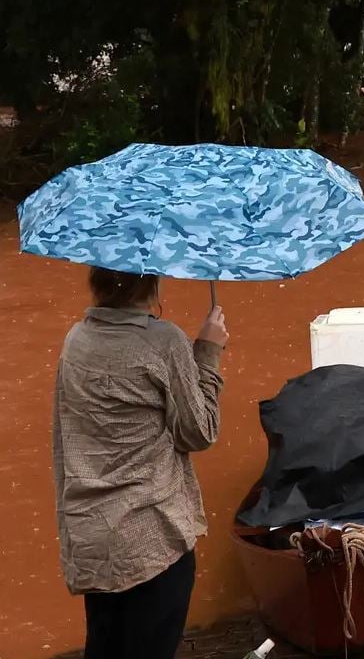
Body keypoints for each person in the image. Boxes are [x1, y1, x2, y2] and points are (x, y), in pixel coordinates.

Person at [52, 267, 228, 659]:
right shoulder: (163, 342)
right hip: (152, 540)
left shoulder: (76, 339)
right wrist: (208, 352)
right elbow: (199, 433)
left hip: (94, 538)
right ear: (152, 281)